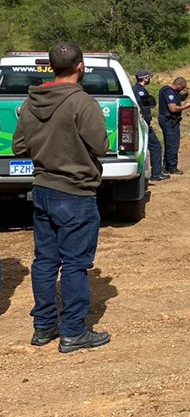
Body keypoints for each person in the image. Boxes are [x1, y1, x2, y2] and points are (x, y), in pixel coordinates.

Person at [12, 42, 112, 353]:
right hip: (76, 193)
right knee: (74, 264)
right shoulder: (82, 103)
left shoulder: (30, 103)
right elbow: (101, 146)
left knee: (44, 262)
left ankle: (43, 327)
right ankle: (73, 331)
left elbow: (18, 148)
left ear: (52, 68)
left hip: (42, 190)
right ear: (81, 66)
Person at [132, 70, 169, 182]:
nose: (150, 79)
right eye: (149, 77)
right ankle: (156, 173)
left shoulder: (135, 89)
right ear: (145, 78)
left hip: (137, 123)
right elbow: (144, 108)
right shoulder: (140, 92)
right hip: (142, 124)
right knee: (156, 147)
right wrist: (147, 122)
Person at [158, 76, 190, 175]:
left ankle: (167, 166)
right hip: (169, 121)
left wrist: (185, 94)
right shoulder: (168, 92)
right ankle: (172, 167)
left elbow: (178, 98)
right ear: (178, 85)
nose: (182, 90)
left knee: (169, 143)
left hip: (169, 121)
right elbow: (173, 108)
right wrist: (185, 107)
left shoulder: (169, 91)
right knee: (172, 143)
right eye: (182, 88)